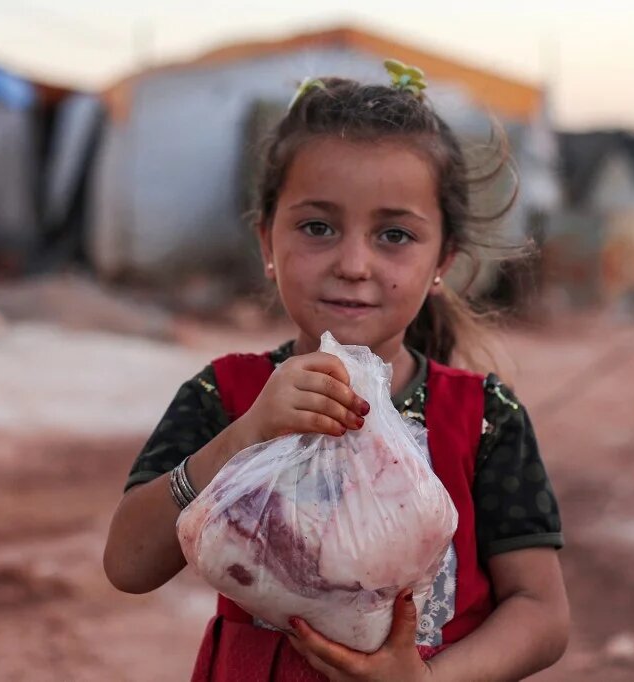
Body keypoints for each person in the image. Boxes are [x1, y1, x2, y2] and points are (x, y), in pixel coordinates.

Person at [103, 60, 569, 681]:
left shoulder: (485, 418)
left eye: (395, 235)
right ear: (268, 242)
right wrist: (245, 438)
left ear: (444, 261)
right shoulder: (229, 395)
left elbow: (540, 612)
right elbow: (129, 565)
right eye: (318, 227)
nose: (353, 263)